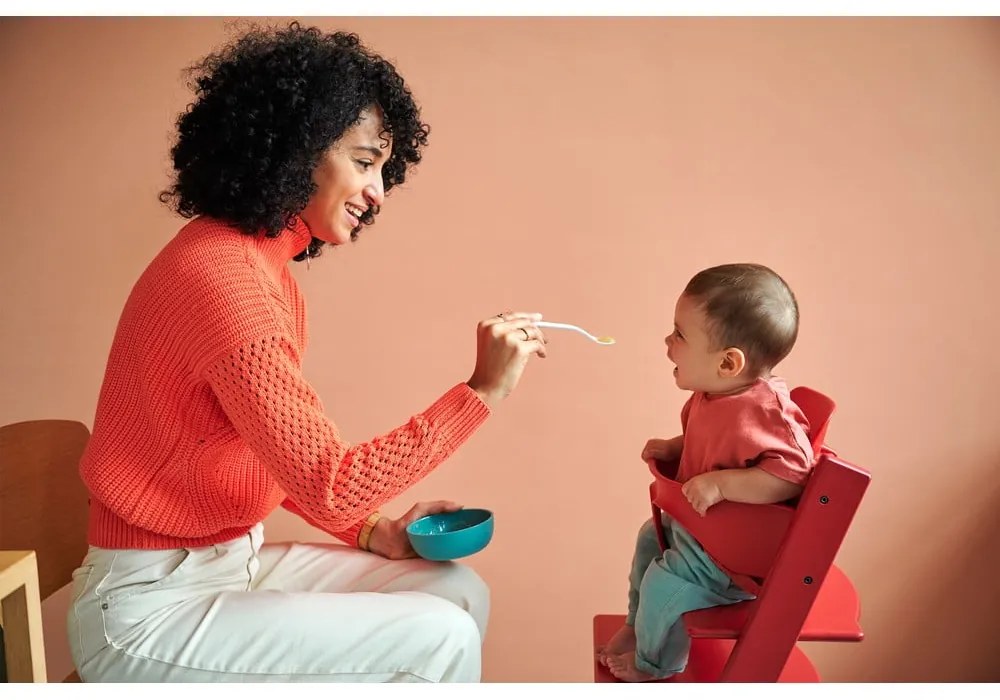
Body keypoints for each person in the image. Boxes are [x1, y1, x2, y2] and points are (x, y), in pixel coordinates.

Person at [67, 22, 547, 683]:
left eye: (383, 169)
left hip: (230, 564)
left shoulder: (260, 268)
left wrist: (374, 531)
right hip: (148, 607)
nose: (378, 193)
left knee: (457, 593)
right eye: (363, 161)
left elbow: (276, 462)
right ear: (295, 151)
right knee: (438, 635)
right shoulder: (227, 280)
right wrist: (482, 393)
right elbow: (331, 480)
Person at [597, 263, 815, 682]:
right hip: (701, 533)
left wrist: (721, 485)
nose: (668, 341)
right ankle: (636, 626)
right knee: (648, 538)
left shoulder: (763, 411)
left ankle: (655, 666)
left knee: (663, 583)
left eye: (680, 334)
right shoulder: (714, 395)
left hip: (729, 558)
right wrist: (677, 447)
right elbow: (722, 448)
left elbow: (794, 474)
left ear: (729, 362)